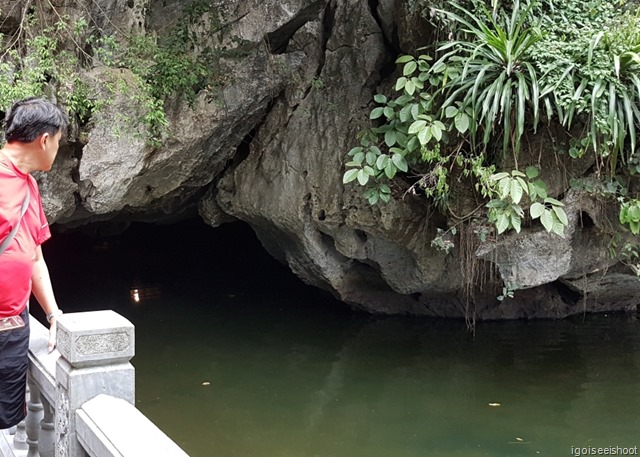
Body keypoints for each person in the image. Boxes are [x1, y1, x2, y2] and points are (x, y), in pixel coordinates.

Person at [0, 97, 67, 429]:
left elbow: (35, 259)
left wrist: (53, 314)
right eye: (58, 141)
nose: (57, 149)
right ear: (44, 139)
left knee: (6, 422)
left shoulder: (29, 188)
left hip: (13, 334)